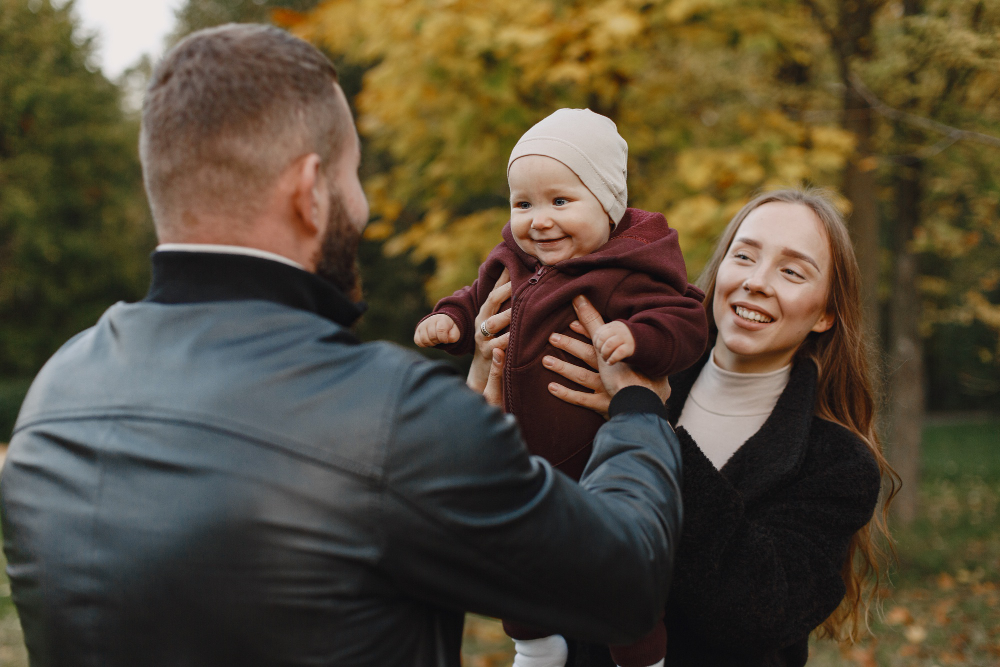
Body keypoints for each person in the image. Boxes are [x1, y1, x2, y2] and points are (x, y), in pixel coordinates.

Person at [0, 25, 687, 667]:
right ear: (310, 192)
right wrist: (635, 411)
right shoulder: (385, 417)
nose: (361, 205)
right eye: (354, 176)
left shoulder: (56, 392)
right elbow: (625, 580)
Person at [473, 188, 898, 666]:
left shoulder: (837, 462)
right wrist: (488, 415)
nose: (756, 282)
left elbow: (758, 612)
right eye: (744, 256)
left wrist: (644, 423)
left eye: (792, 271)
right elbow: (519, 547)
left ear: (825, 314)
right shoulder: (607, 370)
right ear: (719, 273)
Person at [415, 109, 708, 667]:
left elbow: (687, 321)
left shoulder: (632, 270)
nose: (538, 221)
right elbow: (476, 295)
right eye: (522, 204)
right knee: (519, 562)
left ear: (608, 204)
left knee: (618, 570)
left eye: (560, 202)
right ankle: (534, 645)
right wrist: (452, 319)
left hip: (602, 457)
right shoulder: (512, 261)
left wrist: (635, 336)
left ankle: (643, 659)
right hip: (523, 455)